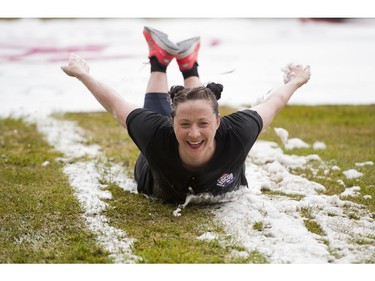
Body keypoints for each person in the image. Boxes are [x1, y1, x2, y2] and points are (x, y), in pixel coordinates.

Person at [62, 26, 311, 204]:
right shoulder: (156, 134)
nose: (194, 134)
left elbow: (274, 103)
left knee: (197, 104)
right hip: (153, 176)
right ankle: (161, 62)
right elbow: (116, 105)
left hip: (194, 123)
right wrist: (83, 75)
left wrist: (296, 82)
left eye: (204, 124)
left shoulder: (238, 132)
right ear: (171, 123)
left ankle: (186, 63)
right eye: (184, 124)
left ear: (218, 122)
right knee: (175, 112)